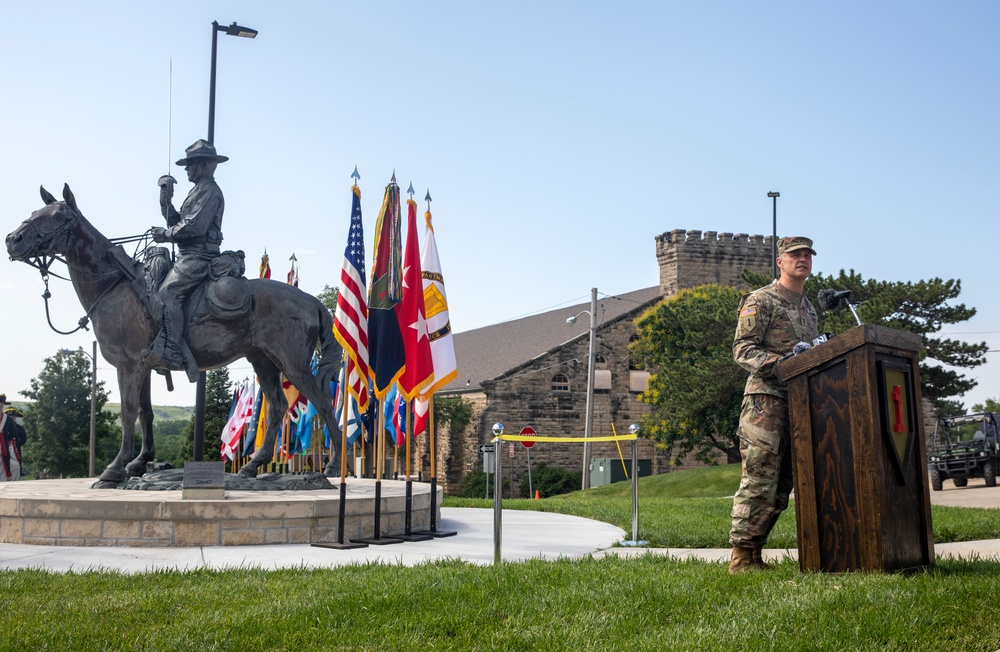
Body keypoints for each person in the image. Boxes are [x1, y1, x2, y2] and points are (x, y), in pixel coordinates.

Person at [729, 236, 818, 573]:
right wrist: (784, 363)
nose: (803, 259)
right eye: (795, 254)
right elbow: (743, 350)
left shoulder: (809, 309)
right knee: (759, 478)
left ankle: (755, 554)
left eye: (808, 255)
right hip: (765, 402)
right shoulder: (761, 300)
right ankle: (741, 555)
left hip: (798, 401)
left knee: (782, 484)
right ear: (780, 261)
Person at [143, 139, 228, 382]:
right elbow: (179, 221)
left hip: (199, 255)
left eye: (191, 165)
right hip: (187, 253)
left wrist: (165, 235)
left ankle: (173, 350)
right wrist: (165, 200)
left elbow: (194, 227)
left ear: (204, 165)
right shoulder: (197, 190)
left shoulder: (210, 191)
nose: (187, 170)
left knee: (167, 294)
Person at [0, 394, 26, 482]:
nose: (0, 404)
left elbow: (18, 436)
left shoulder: (8, 420)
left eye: (2, 402)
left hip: (4, 450)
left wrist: (4, 440)